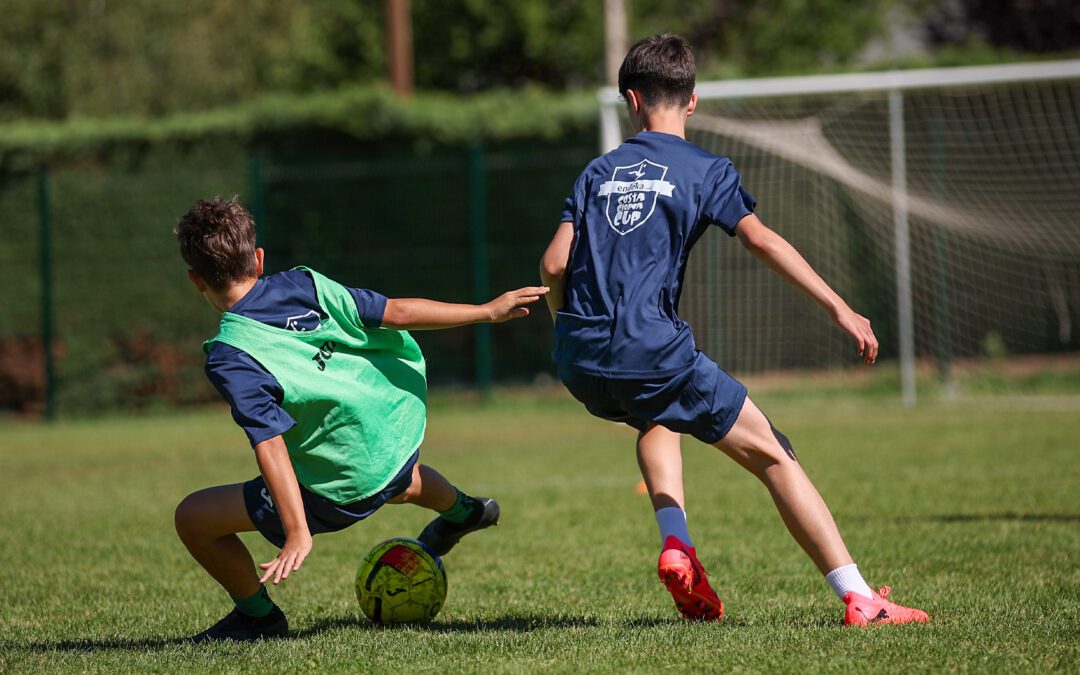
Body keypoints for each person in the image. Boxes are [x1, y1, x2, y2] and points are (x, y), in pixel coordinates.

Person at [539, 34, 929, 627]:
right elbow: (760, 239)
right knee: (774, 454)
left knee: (654, 416)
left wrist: (567, 336)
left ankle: (677, 544)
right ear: (692, 101)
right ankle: (860, 598)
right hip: (652, 350)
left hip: (581, 357)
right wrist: (839, 307)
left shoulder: (596, 172)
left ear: (631, 100)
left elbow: (552, 265)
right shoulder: (705, 169)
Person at [173, 196, 546, 641]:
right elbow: (397, 313)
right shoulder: (305, 283)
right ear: (258, 258)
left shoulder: (231, 354)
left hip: (339, 487)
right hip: (391, 434)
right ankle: (465, 511)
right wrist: (486, 311)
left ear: (196, 280)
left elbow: (270, 443)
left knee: (193, 518)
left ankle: (258, 617)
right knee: (400, 481)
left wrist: (297, 530)